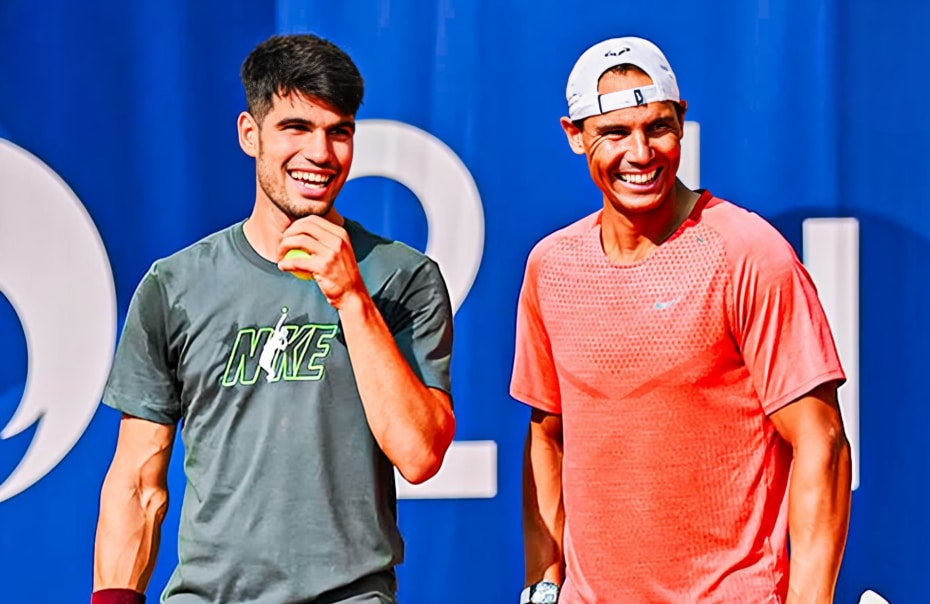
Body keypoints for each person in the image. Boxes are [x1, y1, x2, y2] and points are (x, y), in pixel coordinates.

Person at [91, 33, 456, 604]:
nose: (320, 153)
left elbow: (420, 455)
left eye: (339, 132)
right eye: (296, 128)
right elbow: (139, 480)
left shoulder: (402, 277)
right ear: (249, 134)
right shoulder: (176, 284)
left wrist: (352, 299)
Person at [511, 36, 851, 604]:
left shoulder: (749, 252)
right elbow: (548, 435)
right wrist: (543, 584)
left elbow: (823, 443)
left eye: (659, 127)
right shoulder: (551, 266)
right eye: (615, 133)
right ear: (575, 136)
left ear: (682, 122)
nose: (641, 153)